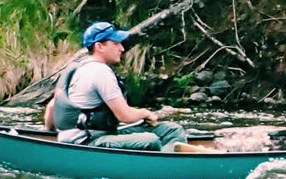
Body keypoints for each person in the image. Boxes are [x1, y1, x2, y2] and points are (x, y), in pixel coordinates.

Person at [48, 23, 192, 149]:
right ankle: (166, 167)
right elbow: (125, 116)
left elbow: (51, 107)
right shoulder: (100, 71)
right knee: (150, 140)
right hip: (89, 141)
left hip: (82, 137)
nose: (122, 48)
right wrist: (146, 113)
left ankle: (165, 160)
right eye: (116, 43)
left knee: (172, 130)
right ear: (99, 46)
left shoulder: (78, 68)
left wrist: (52, 133)